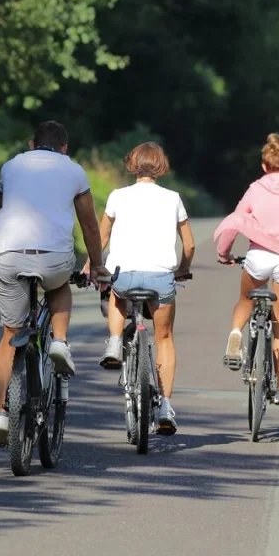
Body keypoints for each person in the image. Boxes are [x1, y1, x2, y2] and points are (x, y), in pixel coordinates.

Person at [0, 120, 108, 445]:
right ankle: (59, 341)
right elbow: (90, 226)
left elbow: (1, 211)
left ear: (31, 144)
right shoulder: (74, 170)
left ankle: (2, 413)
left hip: (9, 254)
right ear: (64, 148)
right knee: (59, 285)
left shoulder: (10, 167)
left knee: (9, 334)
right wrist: (97, 266)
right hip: (53, 256)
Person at [84, 142, 195, 435]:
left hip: (125, 276)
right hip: (160, 278)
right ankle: (166, 406)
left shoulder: (118, 196)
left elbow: (101, 237)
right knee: (165, 338)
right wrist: (183, 269)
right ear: (161, 166)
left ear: (132, 164)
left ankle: (113, 341)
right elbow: (190, 243)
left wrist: (89, 265)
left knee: (116, 292)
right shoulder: (173, 198)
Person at [214, 133, 279, 405]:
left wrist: (224, 253)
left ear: (264, 166)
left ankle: (236, 334)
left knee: (245, 301)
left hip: (258, 256)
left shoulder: (255, 188)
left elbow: (236, 220)